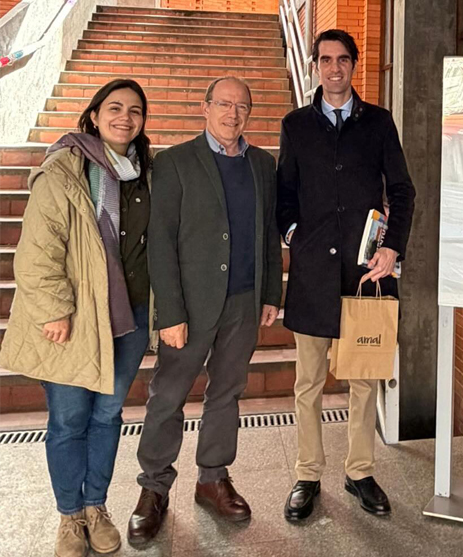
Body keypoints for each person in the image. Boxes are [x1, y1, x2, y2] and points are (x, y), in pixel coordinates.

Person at [127, 76, 282, 546]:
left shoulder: (262, 164)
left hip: (242, 300)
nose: (232, 114)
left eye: (242, 107)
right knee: (168, 395)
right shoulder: (174, 162)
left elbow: (268, 232)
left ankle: (212, 477)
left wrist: (271, 293)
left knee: (227, 393)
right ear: (206, 107)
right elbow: (160, 242)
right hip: (189, 307)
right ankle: (153, 489)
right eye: (224, 104)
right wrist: (169, 311)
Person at [0, 79, 152, 557]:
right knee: (69, 419)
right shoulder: (65, 169)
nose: (125, 117)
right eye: (114, 108)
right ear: (93, 116)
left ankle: (95, 506)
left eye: (135, 110)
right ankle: (69, 516)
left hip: (130, 316)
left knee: (108, 415)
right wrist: (55, 310)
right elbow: (39, 250)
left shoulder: (146, 172)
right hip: (74, 316)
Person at [278, 29, 415, 522]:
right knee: (308, 381)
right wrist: (296, 235)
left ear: (355, 66)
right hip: (315, 274)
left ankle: (359, 472)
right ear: (315, 66)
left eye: (343, 60)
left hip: (366, 275)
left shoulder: (378, 123)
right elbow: (284, 194)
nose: (334, 69)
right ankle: (307, 474)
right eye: (325, 60)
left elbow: (402, 190)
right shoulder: (296, 125)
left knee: (363, 380)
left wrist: (392, 246)